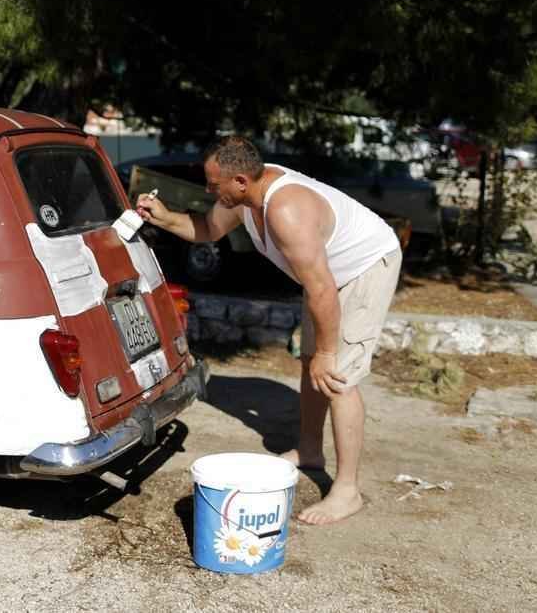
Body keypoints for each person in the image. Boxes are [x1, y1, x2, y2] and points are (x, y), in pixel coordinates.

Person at [137, 136, 401, 525]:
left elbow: (322, 288)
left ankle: (347, 491)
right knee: (312, 361)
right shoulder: (241, 201)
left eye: (214, 184)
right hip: (327, 279)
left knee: (337, 375)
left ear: (240, 181)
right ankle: (310, 450)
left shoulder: (286, 210)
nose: (209, 191)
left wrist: (328, 353)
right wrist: (164, 217)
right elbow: (207, 229)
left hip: (363, 269)